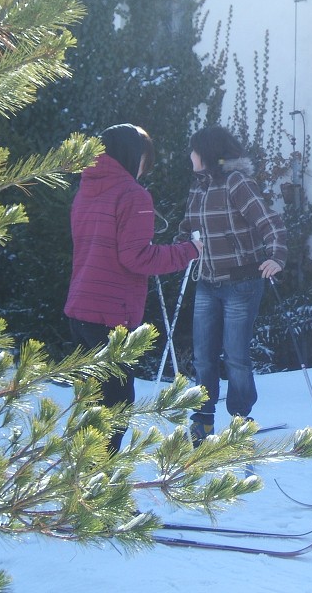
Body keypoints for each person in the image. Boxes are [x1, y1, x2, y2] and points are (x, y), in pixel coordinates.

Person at [65, 123, 203, 453]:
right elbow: (137, 258)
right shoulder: (133, 195)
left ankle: (77, 491)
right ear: (134, 156)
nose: (145, 170)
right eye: (145, 162)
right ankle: (103, 499)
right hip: (111, 315)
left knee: (91, 408)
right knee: (115, 409)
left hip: (79, 311)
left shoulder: (86, 189)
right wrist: (189, 251)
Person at [176, 125, 287, 447]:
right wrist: (173, 251)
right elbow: (187, 228)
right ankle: (203, 421)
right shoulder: (197, 188)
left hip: (242, 283)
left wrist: (277, 256)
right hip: (207, 283)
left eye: (194, 150)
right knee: (202, 357)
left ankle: (240, 419)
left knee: (236, 355)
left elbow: (270, 222)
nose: (190, 156)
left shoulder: (237, 183)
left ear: (207, 153)